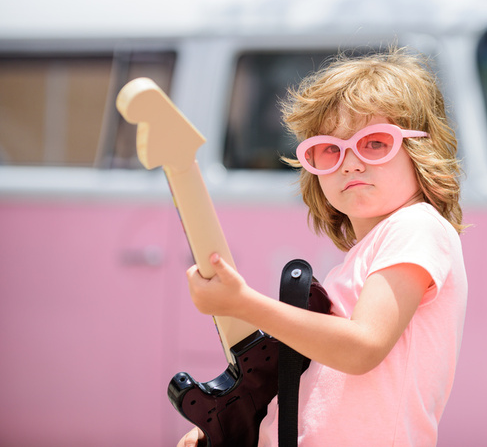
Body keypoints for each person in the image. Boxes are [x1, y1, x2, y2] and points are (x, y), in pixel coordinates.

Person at [178, 48, 468, 447]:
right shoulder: (356, 263)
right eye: (329, 149)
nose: (349, 162)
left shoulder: (416, 226)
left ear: (423, 148)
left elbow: (362, 347)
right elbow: (312, 385)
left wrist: (243, 303)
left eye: (374, 143)